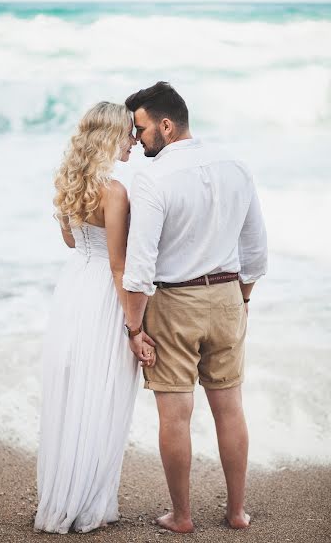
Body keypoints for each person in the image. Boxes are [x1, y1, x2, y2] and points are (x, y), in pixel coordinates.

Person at [122, 82, 268, 533]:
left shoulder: (154, 177)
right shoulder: (235, 166)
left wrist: (133, 329)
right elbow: (256, 249)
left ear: (166, 125)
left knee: (175, 415)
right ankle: (237, 513)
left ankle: (182, 517)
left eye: (141, 128)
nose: (135, 138)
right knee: (230, 408)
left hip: (174, 301)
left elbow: (139, 266)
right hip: (227, 296)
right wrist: (242, 301)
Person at [34, 101, 156, 534]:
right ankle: (89, 502)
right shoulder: (115, 192)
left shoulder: (69, 184)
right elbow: (120, 266)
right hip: (104, 295)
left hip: (73, 290)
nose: (133, 142)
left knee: (74, 394)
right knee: (101, 393)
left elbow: (72, 243)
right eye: (127, 134)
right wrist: (134, 328)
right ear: (110, 137)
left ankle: (65, 495)